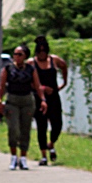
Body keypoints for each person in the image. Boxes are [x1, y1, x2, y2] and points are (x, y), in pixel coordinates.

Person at [0, 45, 47, 170]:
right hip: (12, 101)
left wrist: (42, 100)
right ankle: (14, 156)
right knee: (13, 129)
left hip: (27, 101)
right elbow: (2, 85)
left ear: (25, 56)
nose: (16, 57)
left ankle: (23, 157)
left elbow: (37, 85)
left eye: (19, 54)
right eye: (15, 54)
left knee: (25, 129)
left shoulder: (31, 69)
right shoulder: (8, 69)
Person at [31, 36, 68, 165]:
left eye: (44, 51)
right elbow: (28, 79)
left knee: (57, 124)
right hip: (39, 98)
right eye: (39, 51)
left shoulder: (54, 60)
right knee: (42, 126)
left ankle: (51, 144)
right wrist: (40, 88)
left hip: (54, 97)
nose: (42, 54)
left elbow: (64, 66)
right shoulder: (31, 63)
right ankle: (43, 155)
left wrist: (64, 83)